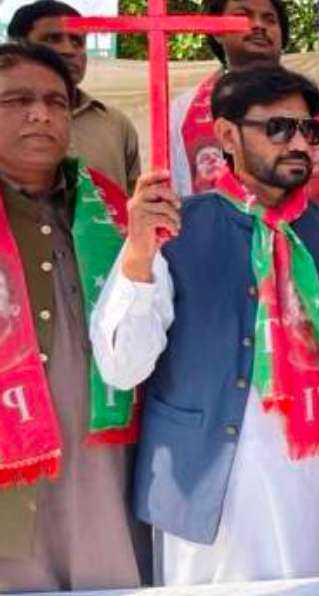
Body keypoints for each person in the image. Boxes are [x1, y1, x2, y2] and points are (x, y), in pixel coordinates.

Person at [91, 67, 319, 585]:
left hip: (314, 473)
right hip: (208, 475)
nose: (299, 144)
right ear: (225, 135)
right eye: (278, 128)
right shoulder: (174, 223)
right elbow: (123, 364)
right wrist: (137, 253)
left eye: (309, 130)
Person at [0, 43, 141, 590]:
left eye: (57, 102)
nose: (42, 114)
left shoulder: (107, 207)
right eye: (19, 100)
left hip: (101, 463)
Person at [167, 0, 319, 249]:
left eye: (269, 19)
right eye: (243, 17)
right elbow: (178, 193)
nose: (259, 25)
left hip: (314, 256)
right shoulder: (184, 111)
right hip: (219, 257)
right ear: (217, 31)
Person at [8, 0, 141, 193]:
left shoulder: (116, 124)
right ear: (17, 46)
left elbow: (133, 206)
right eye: (52, 39)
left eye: (77, 42)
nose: (68, 50)